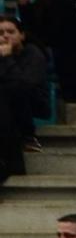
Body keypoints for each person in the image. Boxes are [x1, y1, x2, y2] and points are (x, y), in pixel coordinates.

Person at [0, 15, 49, 176]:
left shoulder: (33, 54)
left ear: (22, 35)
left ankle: (26, 139)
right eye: (0, 32)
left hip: (29, 104)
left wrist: (7, 58)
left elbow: (23, 87)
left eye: (10, 32)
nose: (5, 36)